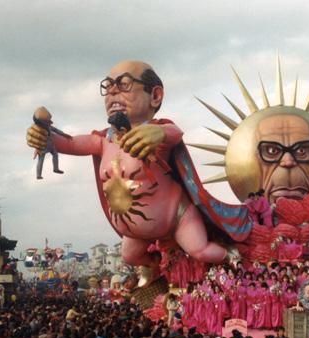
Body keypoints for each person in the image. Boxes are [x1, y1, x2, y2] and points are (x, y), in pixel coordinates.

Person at [26, 60, 248, 286]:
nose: (112, 92)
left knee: (200, 250)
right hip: (135, 233)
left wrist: (157, 134)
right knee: (129, 256)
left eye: (123, 84)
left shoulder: (158, 131)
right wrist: (44, 136)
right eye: (108, 86)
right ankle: (161, 268)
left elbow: (175, 132)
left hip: (178, 217)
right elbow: (69, 143)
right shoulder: (104, 140)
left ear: (155, 96)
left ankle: (232, 256)